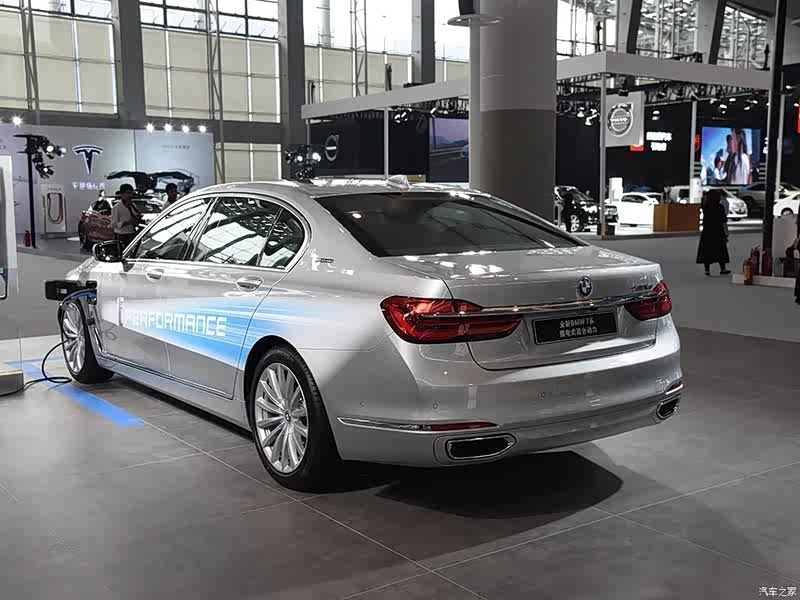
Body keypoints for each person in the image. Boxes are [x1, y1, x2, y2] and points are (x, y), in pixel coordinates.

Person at [696, 189, 731, 276]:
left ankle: (707, 270)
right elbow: (723, 221)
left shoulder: (706, 207)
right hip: (718, 231)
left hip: (707, 232)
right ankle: (723, 268)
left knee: (707, 250)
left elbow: (703, 201)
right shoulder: (719, 207)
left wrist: (705, 196)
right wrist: (726, 232)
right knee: (721, 250)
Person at [111, 183, 141, 248]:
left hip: (132, 234)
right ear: (122, 194)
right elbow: (113, 224)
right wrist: (125, 223)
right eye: (128, 193)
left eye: (131, 193)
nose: (130, 195)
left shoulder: (133, 205)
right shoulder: (117, 207)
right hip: (122, 235)